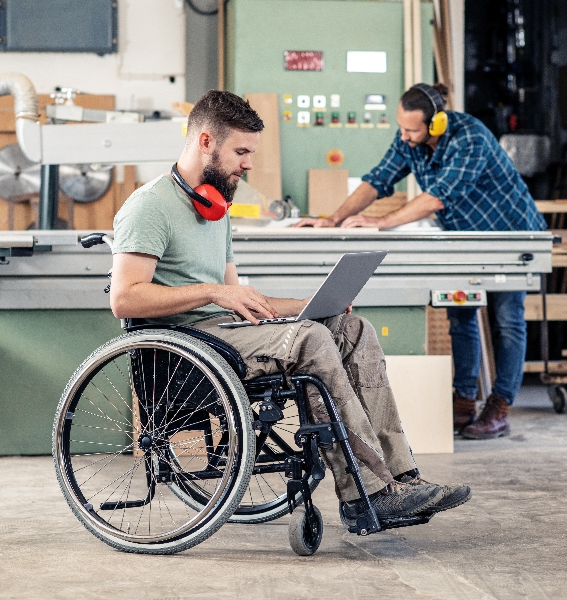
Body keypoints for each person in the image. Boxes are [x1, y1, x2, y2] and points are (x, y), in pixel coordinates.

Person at [110, 90, 470, 523]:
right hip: (188, 345)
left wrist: (305, 305)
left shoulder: (215, 209)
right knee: (313, 340)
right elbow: (125, 297)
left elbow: (239, 299)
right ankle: (365, 494)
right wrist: (213, 292)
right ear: (205, 141)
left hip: (230, 331)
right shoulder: (149, 206)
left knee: (352, 330)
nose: (247, 163)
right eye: (240, 152)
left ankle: (403, 476)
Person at [295, 83, 547, 440]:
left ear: (437, 123)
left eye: (412, 129)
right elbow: (378, 179)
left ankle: (500, 406)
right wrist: (333, 219)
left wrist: (379, 222)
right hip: (463, 238)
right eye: (401, 127)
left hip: (508, 234)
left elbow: (436, 198)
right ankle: (463, 402)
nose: (404, 136)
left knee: (507, 321)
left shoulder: (469, 138)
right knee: (460, 317)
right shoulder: (409, 139)